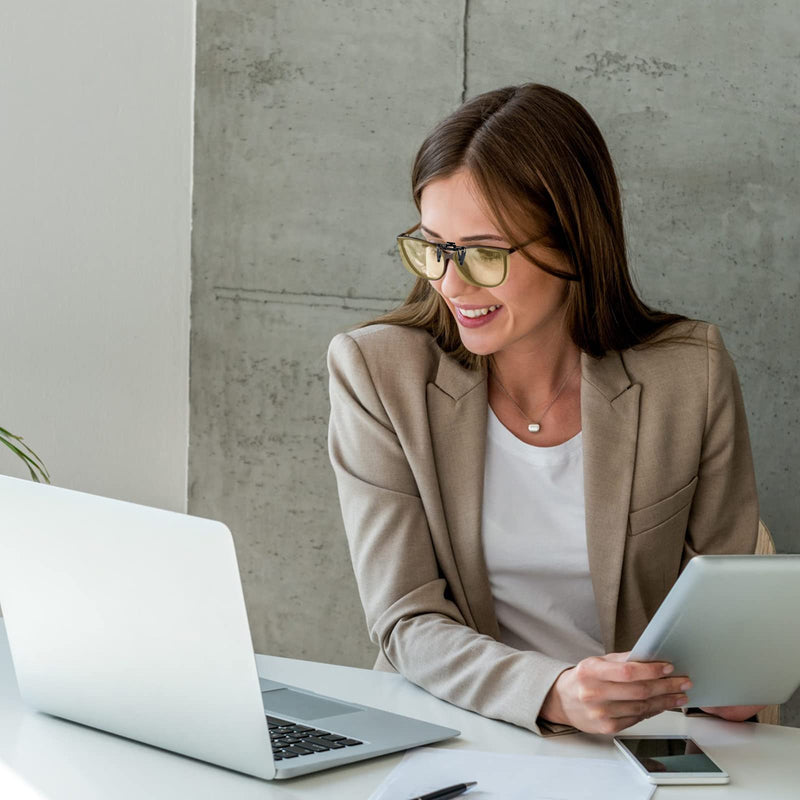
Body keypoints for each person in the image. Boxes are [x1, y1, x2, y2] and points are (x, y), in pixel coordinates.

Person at [326, 83, 764, 736]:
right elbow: (405, 620)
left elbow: (727, 626)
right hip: (455, 729)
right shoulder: (378, 373)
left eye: (483, 253)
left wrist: (733, 676)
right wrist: (553, 692)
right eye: (434, 246)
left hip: (637, 745)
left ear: (573, 245)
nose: (450, 283)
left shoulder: (688, 374)